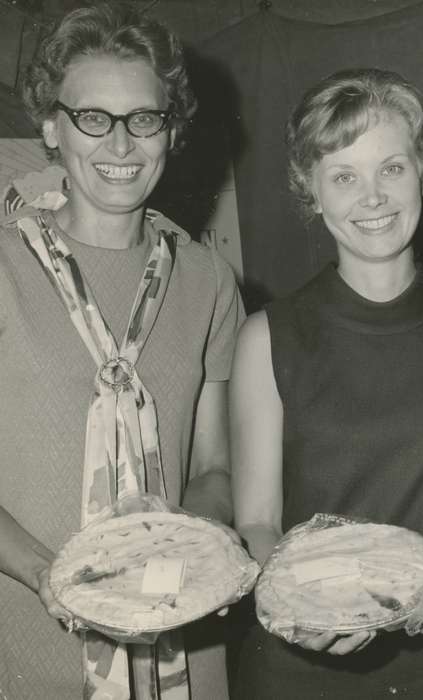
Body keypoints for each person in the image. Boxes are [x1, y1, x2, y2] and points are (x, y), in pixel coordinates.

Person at [229, 67, 423, 699]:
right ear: (312, 191)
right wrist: (313, 604)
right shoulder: (264, 338)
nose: (372, 197)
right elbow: (256, 521)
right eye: (343, 176)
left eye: (391, 168)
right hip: (298, 660)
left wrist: (389, 588)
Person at [0, 4, 244, 699]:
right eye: (92, 118)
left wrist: (179, 555)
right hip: (29, 637)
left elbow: (215, 467)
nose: (121, 145)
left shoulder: (206, 280)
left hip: (176, 638)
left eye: (144, 119)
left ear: (171, 130)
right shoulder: (2, 267)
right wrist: (51, 576)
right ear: (51, 125)